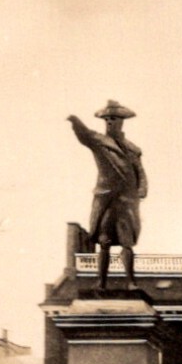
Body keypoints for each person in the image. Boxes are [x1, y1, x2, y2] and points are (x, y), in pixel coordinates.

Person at [67, 101, 148, 289]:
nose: (110, 122)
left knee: (127, 242)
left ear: (122, 121)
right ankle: (101, 282)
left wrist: (142, 189)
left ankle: (131, 282)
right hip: (106, 199)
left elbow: (140, 171)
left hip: (127, 200)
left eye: (114, 119)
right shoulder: (99, 141)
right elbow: (84, 135)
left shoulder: (132, 149)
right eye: (107, 119)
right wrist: (75, 121)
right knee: (104, 240)